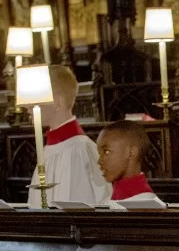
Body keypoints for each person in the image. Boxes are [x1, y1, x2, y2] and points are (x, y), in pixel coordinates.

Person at [27, 65, 111, 208]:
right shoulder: (50, 148)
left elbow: (77, 211)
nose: (27, 107)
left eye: (36, 98)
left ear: (57, 102)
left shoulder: (77, 149)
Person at [96, 120, 162, 206]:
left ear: (131, 153)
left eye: (106, 152)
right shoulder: (106, 200)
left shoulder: (147, 205)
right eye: (99, 153)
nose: (99, 161)